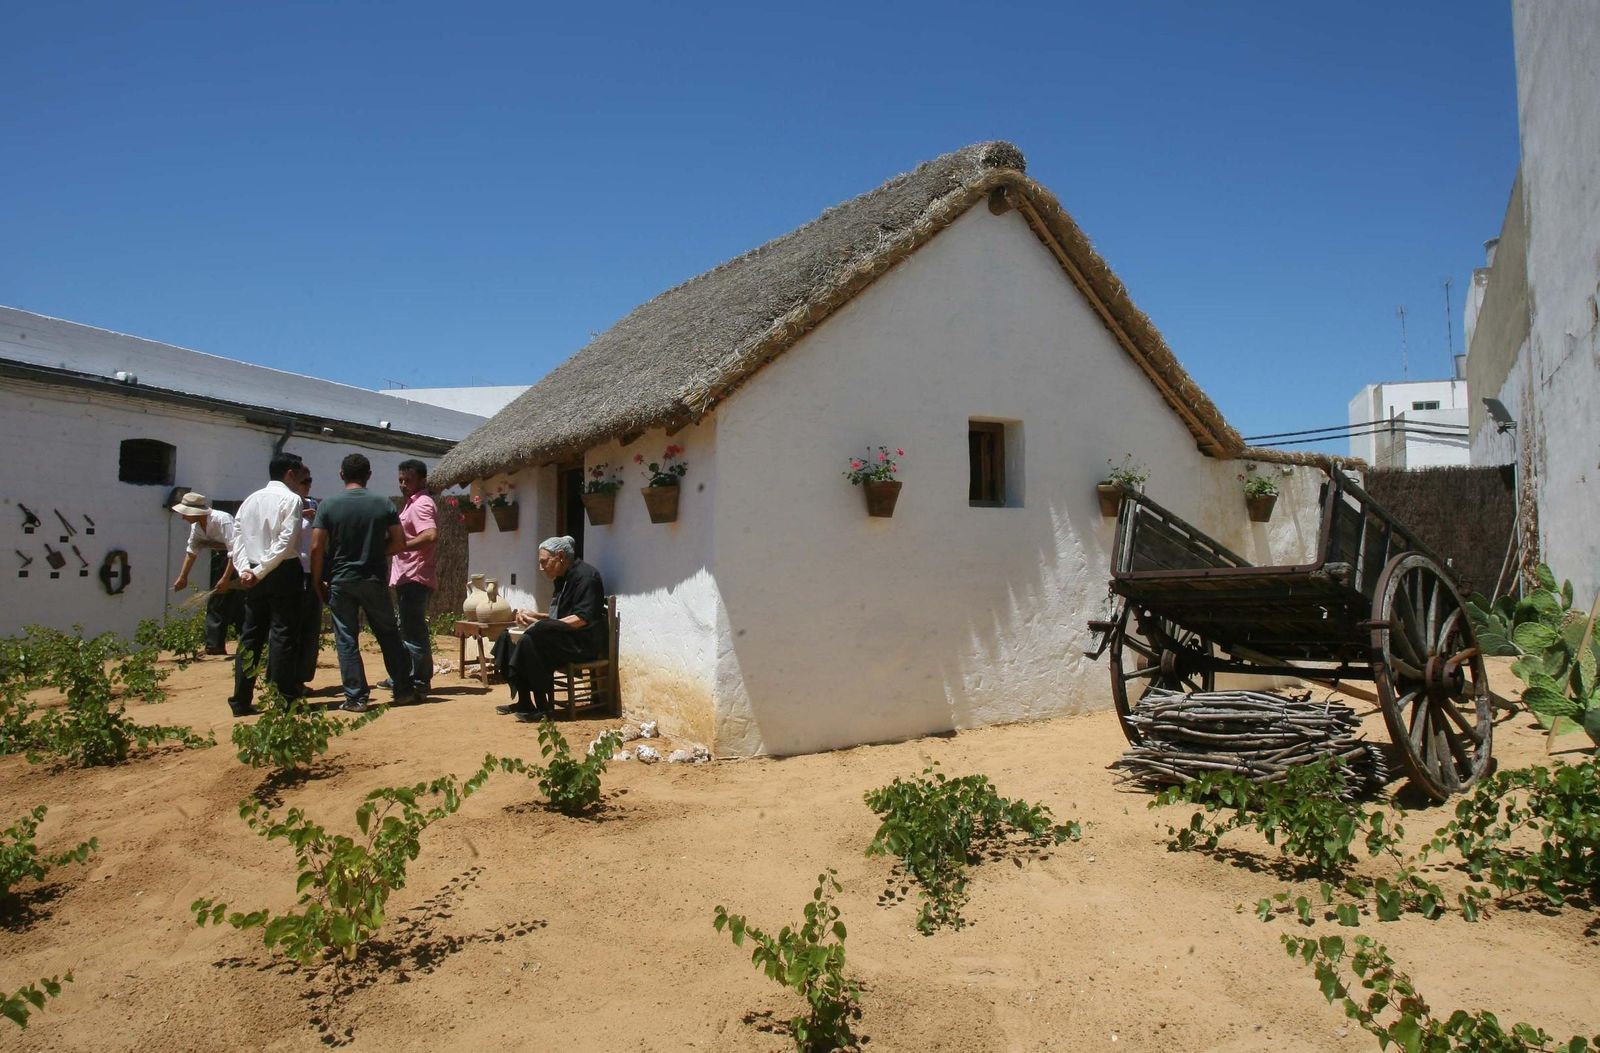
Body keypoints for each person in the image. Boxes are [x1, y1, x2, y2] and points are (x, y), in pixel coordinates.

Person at [311, 453, 417, 712]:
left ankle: (357, 698)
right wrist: (374, 552)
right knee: (389, 634)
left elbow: (316, 546)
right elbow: (400, 542)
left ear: (341, 474)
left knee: (346, 638)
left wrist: (317, 581)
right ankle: (403, 690)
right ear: (368, 475)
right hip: (373, 579)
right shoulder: (383, 504)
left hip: (341, 580)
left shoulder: (327, 506)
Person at [227, 453, 310, 717]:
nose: (301, 479)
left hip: (252, 571)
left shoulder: (250, 500)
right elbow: (286, 542)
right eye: (299, 474)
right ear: (289, 473)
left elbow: (236, 538)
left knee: (251, 635)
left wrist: (245, 570)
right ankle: (283, 699)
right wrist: (260, 570)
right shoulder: (292, 499)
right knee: (283, 635)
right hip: (281, 571)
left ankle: (240, 699)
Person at [491, 536, 605, 721]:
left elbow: (581, 619)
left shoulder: (586, 577)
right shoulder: (562, 578)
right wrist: (536, 617)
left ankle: (543, 708)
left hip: (582, 642)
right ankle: (525, 701)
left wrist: (542, 626)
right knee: (508, 637)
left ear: (560, 556)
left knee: (531, 640)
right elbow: (559, 617)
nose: (541, 567)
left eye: (544, 562)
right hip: (565, 638)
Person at [383, 458, 439, 695]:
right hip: (407, 576)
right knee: (408, 628)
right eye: (401, 480)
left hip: (415, 576)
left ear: (422, 480)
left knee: (414, 630)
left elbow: (430, 535)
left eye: (408, 480)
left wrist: (400, 546)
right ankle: (406, 675)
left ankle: (419, 680)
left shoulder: (422, 504)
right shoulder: (411, 504)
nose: (403, 485)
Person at [169, 491, 244, 655]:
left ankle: (230, 645)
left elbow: (235, 551)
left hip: (239, 561)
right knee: (218, 601)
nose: (183, 517)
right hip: (223, 560)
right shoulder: (196, 527)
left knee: (230, 601)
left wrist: (225, 579)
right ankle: (215, 645)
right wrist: (183, 577)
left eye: (185, 514)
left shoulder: (222, 519)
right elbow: (192, 551)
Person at [292, 470, 323, 690]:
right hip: (292, 571)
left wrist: (315, 520)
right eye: (304, 482)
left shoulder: (313, 506)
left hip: (311, 571)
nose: (308, 485)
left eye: (310, 481)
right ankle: (287, 679)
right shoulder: (287, 506)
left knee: (310, 628)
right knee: (292, 627)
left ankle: (301, 678)